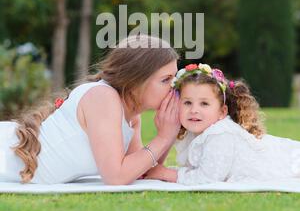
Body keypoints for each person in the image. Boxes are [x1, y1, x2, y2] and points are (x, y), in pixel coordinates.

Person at [0, 34, 181, 185]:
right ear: (135, 82)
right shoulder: (104, 98)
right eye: (166, 79)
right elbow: (116, 176)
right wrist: (163, 137)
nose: (173, 86)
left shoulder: (132, 117)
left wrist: (170, 133)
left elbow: (143, 171)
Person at [143, 63, 300, 185]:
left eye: (204, 104)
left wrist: (165, 173)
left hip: (285, 163)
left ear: (222, 112)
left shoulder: (220, 134)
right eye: (187, 103)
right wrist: (163, 171)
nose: (194, 110)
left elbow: (207, 178)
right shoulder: (198, 132)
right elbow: (197, 170)